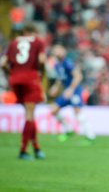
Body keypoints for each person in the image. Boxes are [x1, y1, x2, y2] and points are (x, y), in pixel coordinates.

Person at [0, 24, 46, 160]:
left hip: (15, 80)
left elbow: (3, 63)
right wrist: (40, 73)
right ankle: (23, 150)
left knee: (29, 114)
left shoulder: (14, 42)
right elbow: (42, 60)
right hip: (30, 78)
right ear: (33, 32)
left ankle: (37, 148)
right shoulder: (38, 42)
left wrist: (11, 74)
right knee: (30, 114)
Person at [49, 45, 95, 142]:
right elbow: (61, 78)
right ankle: (69, 130)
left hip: (74, 91)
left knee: (77, 113)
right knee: (53, 109)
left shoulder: (67, 63)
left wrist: (71, 89)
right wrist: (55, 87)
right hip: (67, 92)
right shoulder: (57, 65)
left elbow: (78, 76)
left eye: (59, 50)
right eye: (56, 50)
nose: (57, 52)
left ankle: (90, 136)